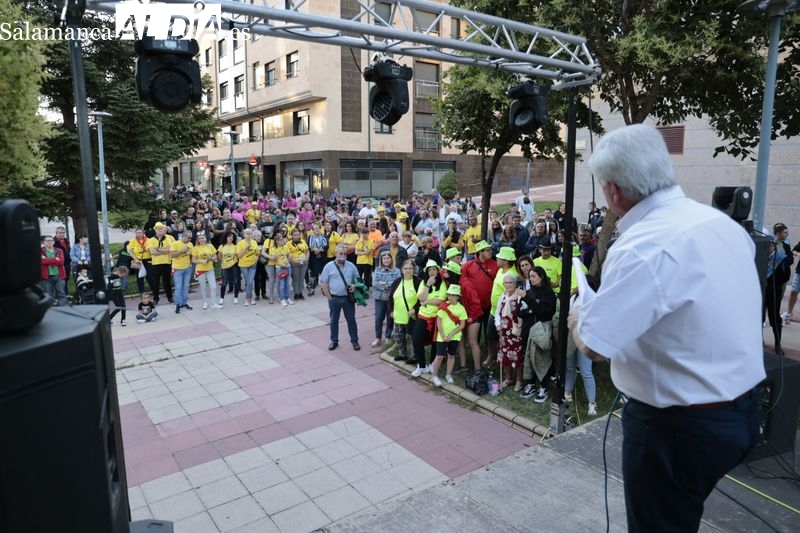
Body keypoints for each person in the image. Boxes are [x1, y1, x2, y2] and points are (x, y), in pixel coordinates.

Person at [568, 124, 764, 533]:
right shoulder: (720, 224)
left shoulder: (643, 246)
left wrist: (577, 321)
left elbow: (595, 346)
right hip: (742, 413)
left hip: (678, 429)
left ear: (613, 190)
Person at [319, 245, 361, 351]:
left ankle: (355, 340)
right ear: (335, 254)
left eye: (345, 254)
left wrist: (355, 286)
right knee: (334, 321)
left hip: (348, 298)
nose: (343, 256)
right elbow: (323, 282)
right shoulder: (329, 266)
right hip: (334, 298)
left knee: (351, 320)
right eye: (340, 253)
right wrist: (329, 297)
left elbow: (358, 279)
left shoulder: (351, 266)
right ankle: (334, 341)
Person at [429, 284, 468, 386]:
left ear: (457, 297)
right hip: (442, 336)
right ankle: (434, 375)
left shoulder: (461, 308)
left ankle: (448, 374)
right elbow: (439, 322)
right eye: (449, 295)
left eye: (453, 295)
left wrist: (451, 334)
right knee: (440, 356)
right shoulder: (443, 306)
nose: (450, 297)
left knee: (451, 355)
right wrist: (443, 335)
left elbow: (462, 325)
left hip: (454, 336)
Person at [388, 259, 420, 362]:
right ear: (402, 269)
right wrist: (390, 311)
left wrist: (415, 309)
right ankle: (403, 354)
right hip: (398, 315)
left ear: (414, 269)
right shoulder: (397, 281)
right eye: (405, 268)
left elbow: (422, 299)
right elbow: (390, 298)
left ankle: (414, 356)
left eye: (410, 268)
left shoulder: (417, 282)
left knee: (411, 337)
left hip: (411, 316)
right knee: (399, 336)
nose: (408, 270)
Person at [371, 251, 401, 348]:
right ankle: (378, 337)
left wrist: (385, 283)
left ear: (391, 259)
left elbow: (398, 282)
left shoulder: (396, 270)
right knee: (379, 317)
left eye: (388, 258)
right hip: (380, 297)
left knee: (390, 317)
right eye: (384, 258)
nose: (386, 260)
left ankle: (388, 335)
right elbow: (375, 283)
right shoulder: (377, 270)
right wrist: (386, 286)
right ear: (381, 260)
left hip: (391, 298)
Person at [147, 222, 175, 305]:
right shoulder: (151, 240)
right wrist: (165, 250)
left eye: (161, 228)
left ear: (164, 229)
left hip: (167, 262)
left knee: (167, 282)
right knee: (156, 282)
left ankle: (170, 297)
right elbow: (152, 252)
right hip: (156, 263)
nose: (160, 230)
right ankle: (156, 299)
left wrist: (158, 250)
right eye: (158, 228)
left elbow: (171, 250)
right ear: (155, 230)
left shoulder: (169, 238)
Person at [191, 233, 220, 310]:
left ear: (206, 238)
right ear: (197, 240)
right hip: (200, 270)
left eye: (202, 238)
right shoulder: (195, 248)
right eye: (199, 238)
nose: (201, 240)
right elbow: (193, 260)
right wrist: (201, 261)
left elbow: (215, 256)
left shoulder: (210, 246)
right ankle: (205, 302)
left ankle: (213, 303)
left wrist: (210, 258)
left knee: (213, 286)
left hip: (210, 269)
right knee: (203, 287)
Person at [40, 235, 67, 306]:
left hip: (59, 275)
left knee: (61, 293)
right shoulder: (40, 251)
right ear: (43, 242)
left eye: (51, 240)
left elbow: (61, 261)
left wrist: (46, 260)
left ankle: (63, 309)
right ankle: (50, 311)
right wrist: (55, 259)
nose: (50, 242)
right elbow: (41, 261)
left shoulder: (59, 250)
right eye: (47, 241)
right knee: (48, 295)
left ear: (54, 242)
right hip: (46, 276)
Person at [170, 231, 194, 313]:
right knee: (178, 287)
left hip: (187, 268)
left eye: (191, 238)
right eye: (189, 237)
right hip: (177, 269)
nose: (190, 239)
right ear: (183, 236)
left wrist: (191, 263)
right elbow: (171, 255)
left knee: (186, 287)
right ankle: (178, 304)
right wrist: (181, 251)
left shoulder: (190, 244)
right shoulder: (175, 243)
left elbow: (191, 255)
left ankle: (184, 303)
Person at [237, 228, 260, 306]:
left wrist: (255, 261)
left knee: (250, 281)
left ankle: (249, 299)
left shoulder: (254, 242)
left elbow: (257, 253)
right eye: (247, 233)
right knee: (248, 282)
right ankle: (250, 298)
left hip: (252, 265)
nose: (249, 235)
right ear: (244, 235)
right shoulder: (240, 243)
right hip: (243, 265)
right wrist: (246, 248)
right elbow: (239, 256)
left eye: (250, 233)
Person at [218, 231, 240, 305]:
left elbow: (237, 256)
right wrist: (224, 262)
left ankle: (236, 297)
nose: (230, 238)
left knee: (236, 281)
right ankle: (221, 298)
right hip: (225, 266)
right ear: (226, 237)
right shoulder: (222, 246)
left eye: (232, 237)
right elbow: (219, 257)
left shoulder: (235, 246)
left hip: (234, 266)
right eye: (229, 236)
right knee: (224, 283)